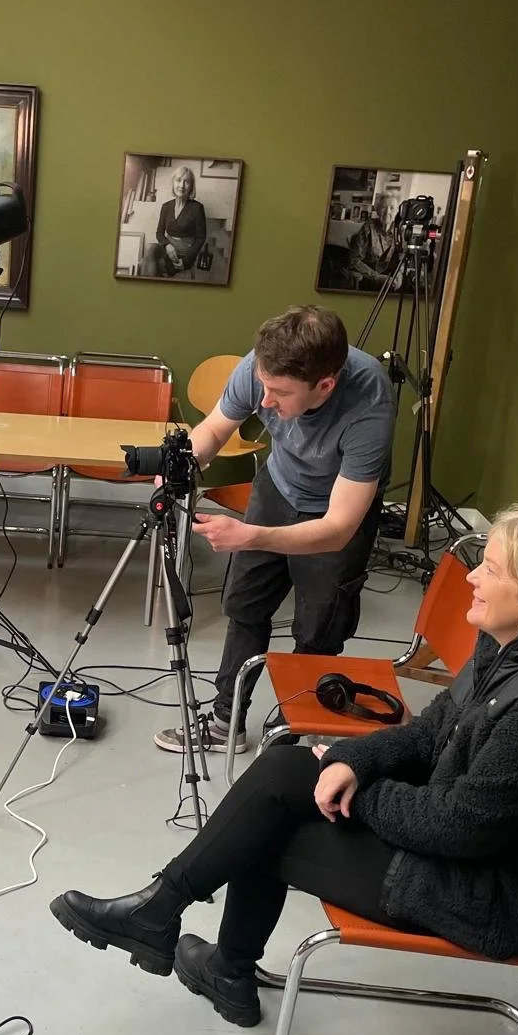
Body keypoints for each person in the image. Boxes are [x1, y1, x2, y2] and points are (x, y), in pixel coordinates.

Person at [53, 505, 518, 1028]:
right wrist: (353, 758)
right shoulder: (513, 647)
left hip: (487, 897)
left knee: (262, 825)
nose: (472, 577)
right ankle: (178, 927)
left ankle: (195, 942)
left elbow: (462, 827)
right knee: (280, 777)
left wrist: (357, 790)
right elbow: (430, 734)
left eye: (492, 570)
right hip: (455, 856)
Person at [153, 305, 395, 756]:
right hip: (279, 486)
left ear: (325, 385)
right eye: (264, 386)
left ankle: (291, 733)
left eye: (280, 393)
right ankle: (227, 721)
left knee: (318, 630)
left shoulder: (369, 405)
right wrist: (181, 464)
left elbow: (338, 528)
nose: (264, 403)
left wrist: (250, 535)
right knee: (245, 606)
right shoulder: (265, 365)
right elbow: (215, 429)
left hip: (335, 509)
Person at [140, 166, 207, 277]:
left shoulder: (197, 208)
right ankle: (144, 289)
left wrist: (186, 260)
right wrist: (167, 245)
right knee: (150, 248)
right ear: (173, 183)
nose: (181, 185)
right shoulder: (166, 206)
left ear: (191, 187)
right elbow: (159, 233)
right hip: (168, 250)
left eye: (186, 182)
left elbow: (201, 238)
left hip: (184, 254)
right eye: (178, 180)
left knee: (155, 265)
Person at [346, 196, 396, 290]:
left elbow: (403, 260)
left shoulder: (400, 231)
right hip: (369, 277)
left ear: (397, 212)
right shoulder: (368, 227)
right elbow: (354, 261)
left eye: (392, 208)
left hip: (392, 279)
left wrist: (399, 276)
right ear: (377, 210)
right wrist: (377, 277)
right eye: (384, 207)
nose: (387, 211)